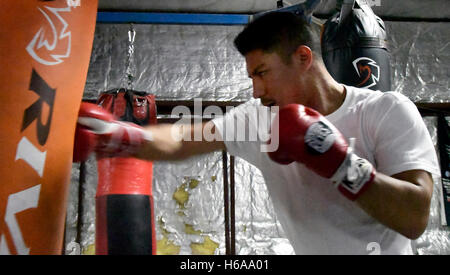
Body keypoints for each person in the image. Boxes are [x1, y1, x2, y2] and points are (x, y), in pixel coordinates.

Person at [74, 12, 440, 254]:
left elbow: (415, 218)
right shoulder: (259, 119)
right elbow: (183, 141)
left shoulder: (386, 111)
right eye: (251, 77)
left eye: (262, 72)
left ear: (303, 58)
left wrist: (340, 163)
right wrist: (124, 136)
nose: (255, 90)